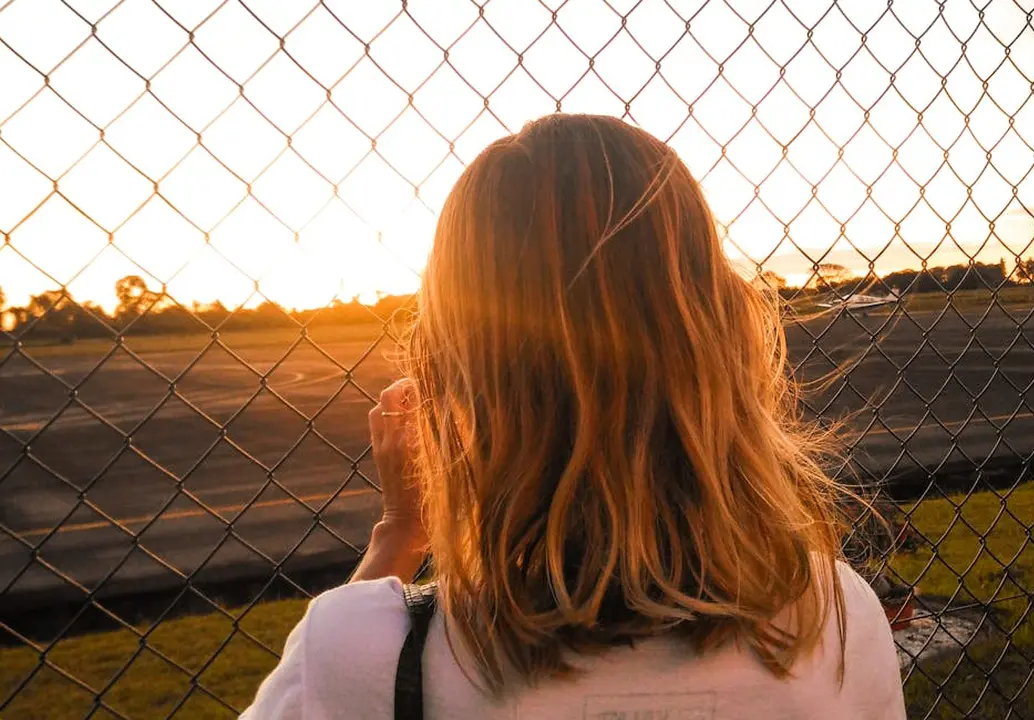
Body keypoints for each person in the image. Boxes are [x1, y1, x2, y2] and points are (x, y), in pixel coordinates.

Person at [241, 114, 905, 719]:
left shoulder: (370, 652)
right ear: (723, 336)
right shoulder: (838, 620)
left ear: (457, 371)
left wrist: (398, 536)